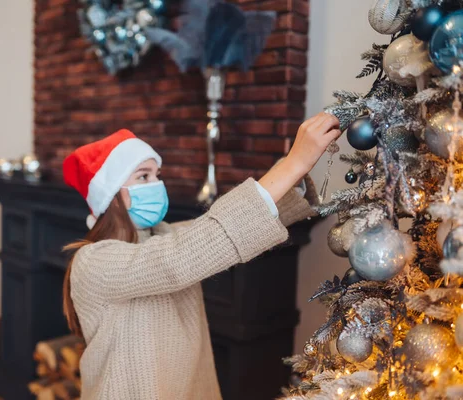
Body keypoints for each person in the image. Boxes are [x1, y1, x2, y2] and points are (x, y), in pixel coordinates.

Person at [61, 112, 341, 400]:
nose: (157, 184)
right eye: (143, 176)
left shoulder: (165, 234)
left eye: (157, 175)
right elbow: (180, 256)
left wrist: (294, 176)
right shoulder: (93, 261)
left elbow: (214, 233)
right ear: (110, 195)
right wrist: (295, 162)